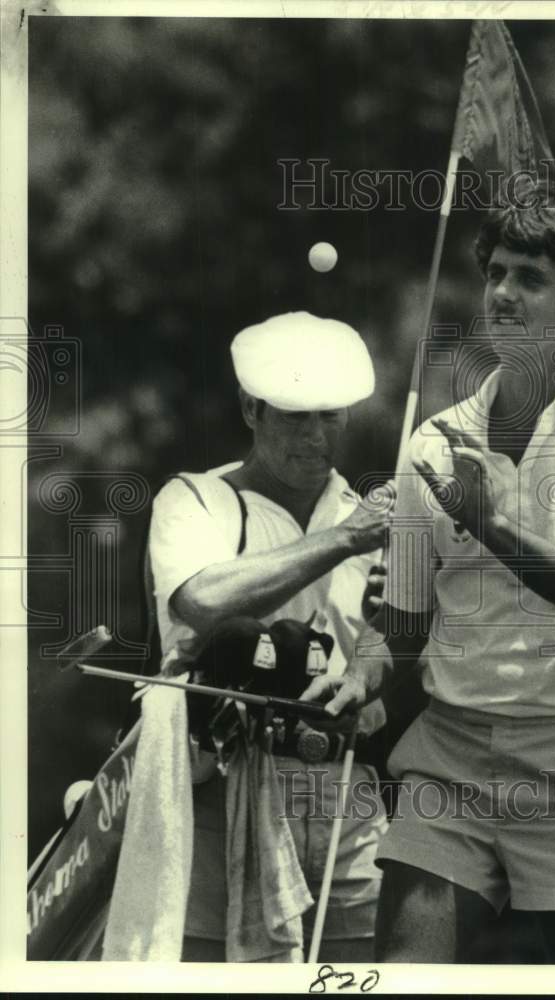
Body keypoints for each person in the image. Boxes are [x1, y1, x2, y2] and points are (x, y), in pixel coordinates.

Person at [301, 186, 555, 964]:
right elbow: (404, 630)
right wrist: (361, 675)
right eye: (496, 272)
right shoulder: (432, 442)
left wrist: (493, 524)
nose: (503, 292)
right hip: (452, 755)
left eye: (530, 278)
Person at [146, 311, 393, 963]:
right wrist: (344, 541)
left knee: (354, 971)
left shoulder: (373, 516)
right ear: (250, 409)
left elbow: (388, 634)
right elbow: (203, 600)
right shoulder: (196, 499)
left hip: (341, 788)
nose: (315, 436)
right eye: (294, 415)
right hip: (214, 784)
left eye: (329, 415)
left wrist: (368, 669)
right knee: (206, 969)